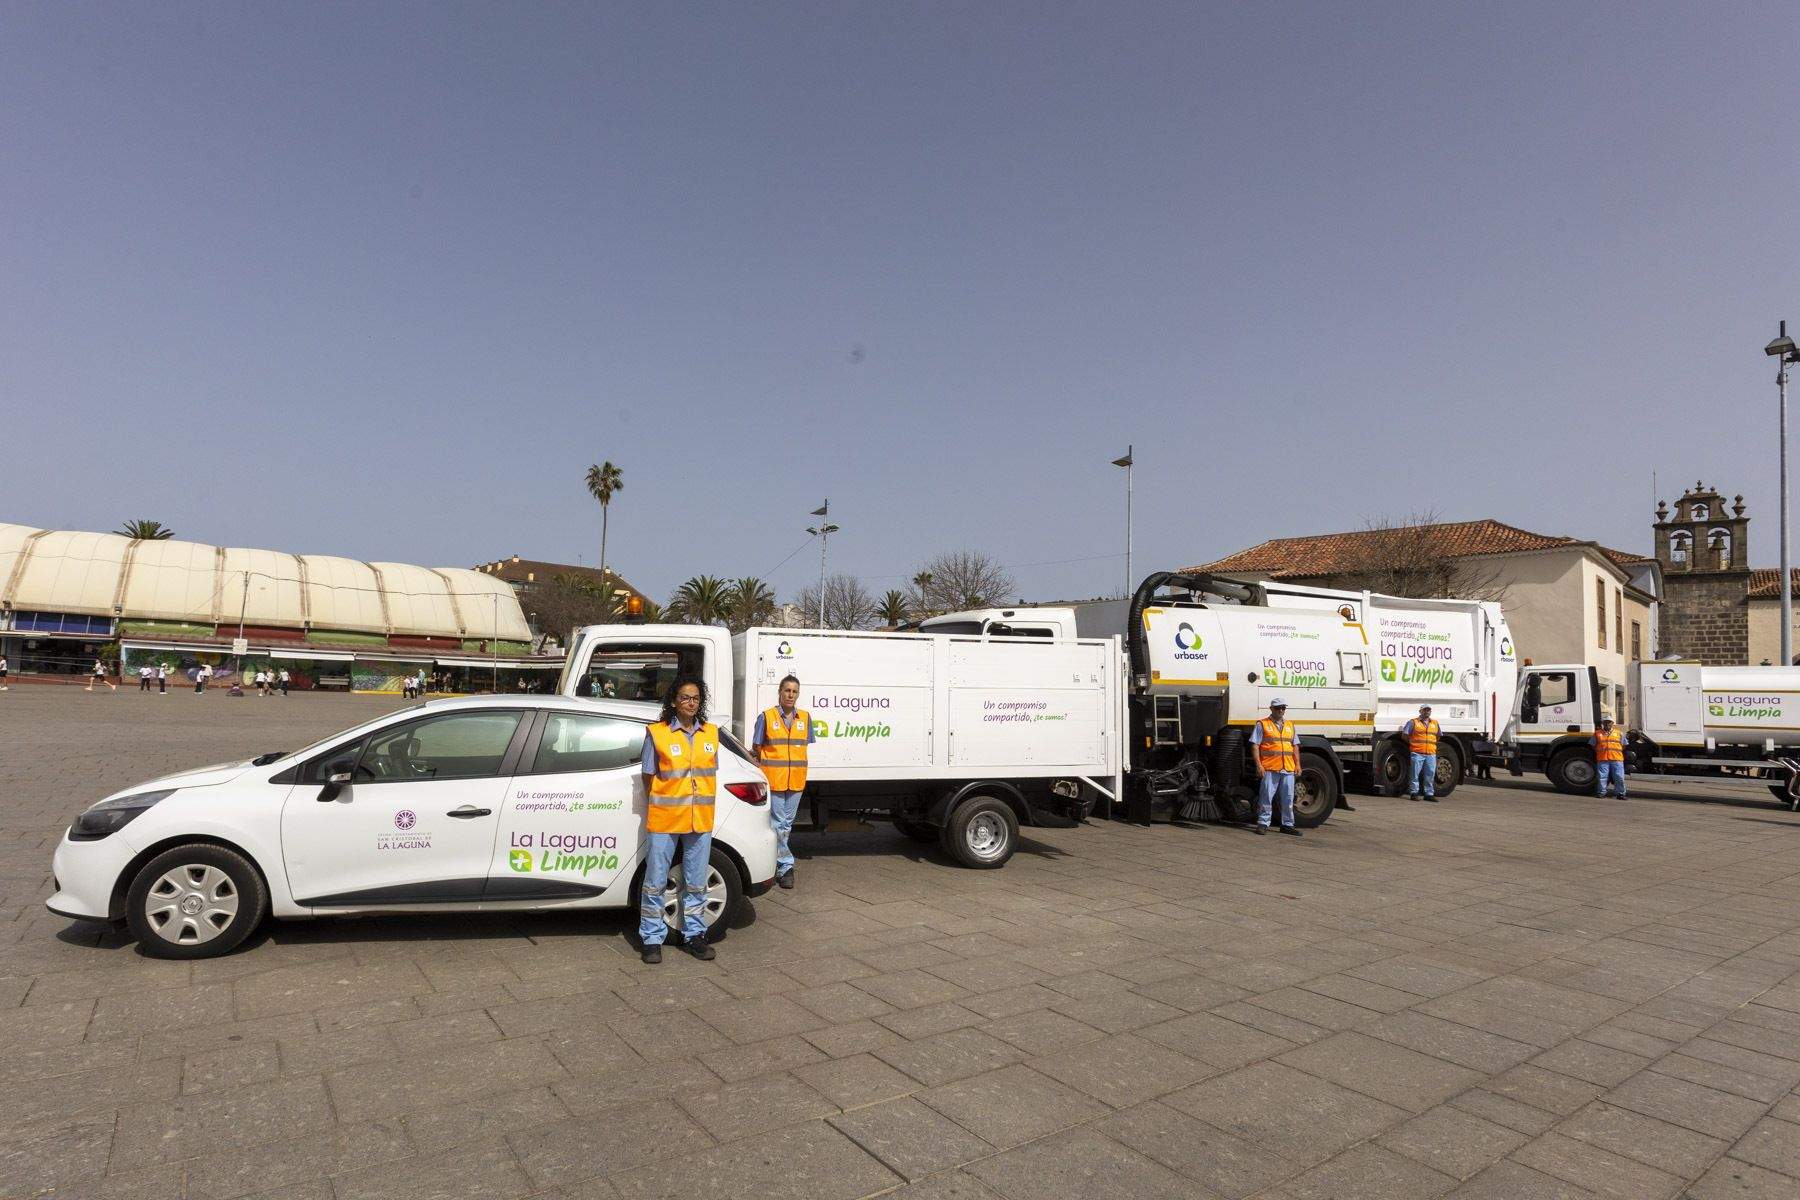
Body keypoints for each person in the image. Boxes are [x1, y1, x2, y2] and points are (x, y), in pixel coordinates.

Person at [637, 675, 720, 964]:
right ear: (674, 701)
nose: (690, 702)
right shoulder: (657, 733)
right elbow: (649, 776)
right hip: (665, 818)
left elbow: (709, 774)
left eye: (695, 698)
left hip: (700, 820)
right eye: (685, 697)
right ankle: (651, 938)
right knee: (655, 881)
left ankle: (695, 935)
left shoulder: (711, 734)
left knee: (697, 882)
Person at [752, 674, 812, 889]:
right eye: (787, 690)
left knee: (785, 824)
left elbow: (804, 744)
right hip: (774, 780)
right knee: (779, 824)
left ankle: (775, 863)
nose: (790, 695)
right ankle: (786, 866)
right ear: (779, 692)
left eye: (794, 691)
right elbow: (756, 748)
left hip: (795, 781)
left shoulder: (805, 718)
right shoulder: (766, 717)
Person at [1249, 698, 1301, 836]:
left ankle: (1287, 825)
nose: (1281, 710)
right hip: (1270, 768)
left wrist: (1298, 765)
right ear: (1271, 708)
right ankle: (1263, 823)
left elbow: (1295, 746)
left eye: (1283, 708)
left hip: (1288, 768)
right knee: (1266, 797)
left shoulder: (1290, 725)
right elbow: (1255, 745)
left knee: (1288, 798)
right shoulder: (1262, 724)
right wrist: (1258, 765)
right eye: (1278, 708)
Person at [1400, 704, 1441, 803]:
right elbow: (1404, 735)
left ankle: (1429, 794)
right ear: (1420, 711)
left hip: (1431, 753)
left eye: (1428, 710)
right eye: (1425, 710)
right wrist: (1412, 743)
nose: (1427, 712)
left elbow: (1438, 736)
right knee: (1415, 774)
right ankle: (1414, 793)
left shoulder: (1435, 723)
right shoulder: (1413, 722)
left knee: (1430, 774)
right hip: (1417, 752)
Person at [1592, 713, 1627, 800]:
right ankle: (1601, 793)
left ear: (1612, 723)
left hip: (1617, 759)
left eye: (1609, 722)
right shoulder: (1597, 733)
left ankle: (1620, 793)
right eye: (1605, 722)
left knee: (1619, 777)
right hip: (1602, 759)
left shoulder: (1619, 733)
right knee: (1602, 777)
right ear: (1603, 723)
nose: (1607, 724)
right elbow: (1593, 745)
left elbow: (1624, 745)